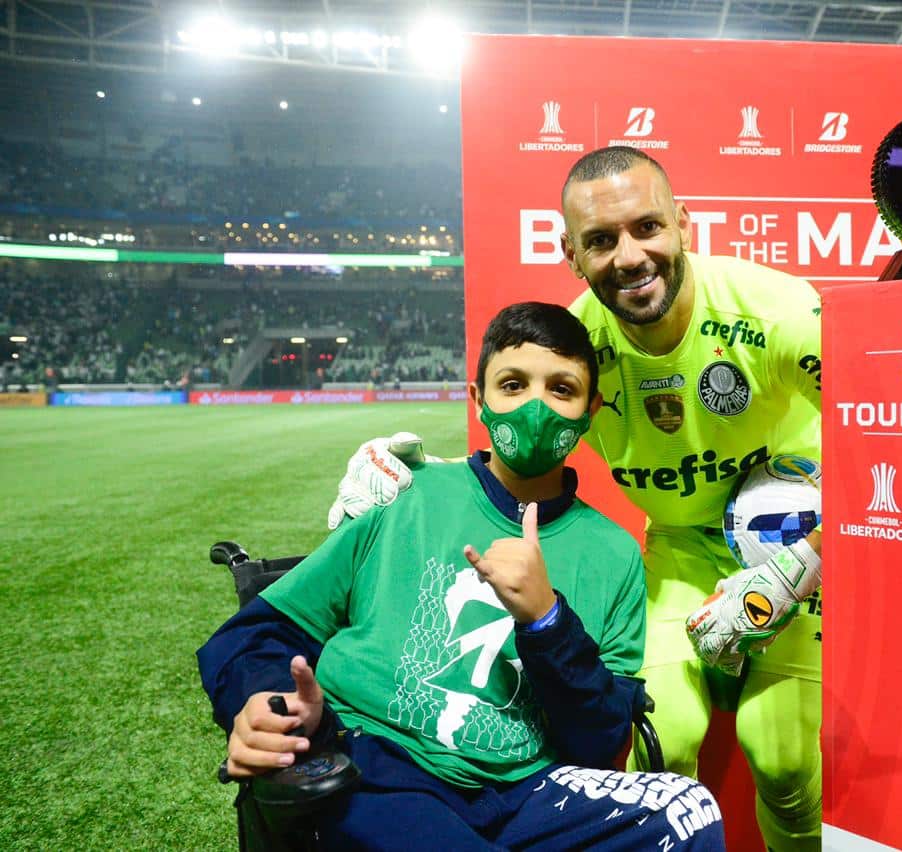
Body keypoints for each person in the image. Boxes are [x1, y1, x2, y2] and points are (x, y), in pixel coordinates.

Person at [331, 148, 823, 850]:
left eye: (647, 227)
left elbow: (896, 447)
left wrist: (798, 566)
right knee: (659, 741)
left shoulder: (778, 311)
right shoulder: (578, 341)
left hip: (803, 548)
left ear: (684, 225)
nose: (629, 256)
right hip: (680, 554)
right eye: (601, 240)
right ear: (570, 253)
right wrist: (410, 475)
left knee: (785, 760)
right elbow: (520, 443)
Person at [199, 301, 725, 851]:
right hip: (379, 765)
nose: (536, 407)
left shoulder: (615, 553)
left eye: (562, 390)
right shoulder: (405, 494)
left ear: (591, 409)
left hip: (526, 789)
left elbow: (600, 741)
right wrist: (266, 700)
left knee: (688, 810)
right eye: (513, 384)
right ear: (479, 400)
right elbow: (253, 634)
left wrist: (548, 621)